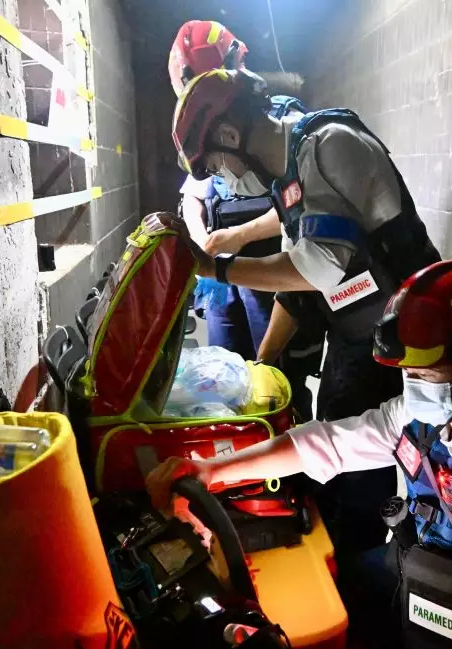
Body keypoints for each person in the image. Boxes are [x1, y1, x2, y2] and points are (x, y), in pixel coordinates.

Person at [146, 261, 452, 649]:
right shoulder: (419, 420)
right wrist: (211, 470)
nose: (413, 388)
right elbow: (329, 443)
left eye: (426, 375)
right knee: (324, 600)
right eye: (408, 375)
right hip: (424, 573)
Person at [163, 67, 443, 555]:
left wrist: (218, 269)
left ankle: (369, 568)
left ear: (230, 135)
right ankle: (345, 555)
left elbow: (318, 267)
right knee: (330, 440)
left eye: (215, 165)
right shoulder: (291, 175)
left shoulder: (329, 146)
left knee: (371, 468)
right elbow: (296, 291)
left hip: (413, 337)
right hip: (361, 335)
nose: (223, 178)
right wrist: (262, 364)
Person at [170, 21, 324, 420]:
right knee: (227, 378)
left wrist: (238, 236)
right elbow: (193, 195)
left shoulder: (280, 122)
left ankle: (286, 447)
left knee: (276, 380)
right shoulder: (209, 130)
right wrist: (203, 242)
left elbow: (299, 208)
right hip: (224, 277)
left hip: (274, 269)